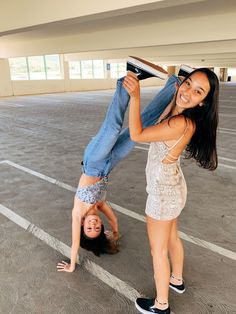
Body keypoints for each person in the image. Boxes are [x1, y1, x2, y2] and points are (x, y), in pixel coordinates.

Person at [57, 56, 180, 273]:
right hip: (109, 165)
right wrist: (114, 232)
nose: (93, 225)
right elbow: (113, 218)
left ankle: (130, 76)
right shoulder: (101, 207)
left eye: (89, 228)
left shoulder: (78, 213)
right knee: (140, 130)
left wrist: (72, 263)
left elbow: (75, 241)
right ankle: (173, 85)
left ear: (84, 225)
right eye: (97, 228)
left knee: (113, 128)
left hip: (93, 162)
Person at [123, 66, 219, 314]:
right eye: (188, 83)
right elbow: (163, 121)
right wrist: (175, 95)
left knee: (158, 250)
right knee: (172, 237)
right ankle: (176, 279)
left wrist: (135, 97)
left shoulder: (181, 123)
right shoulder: (181, 116)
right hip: (173, 187)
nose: (188, 92)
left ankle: (161, 305)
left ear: (203, 102)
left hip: (163, 194)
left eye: (198, 92)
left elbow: (137, 133)